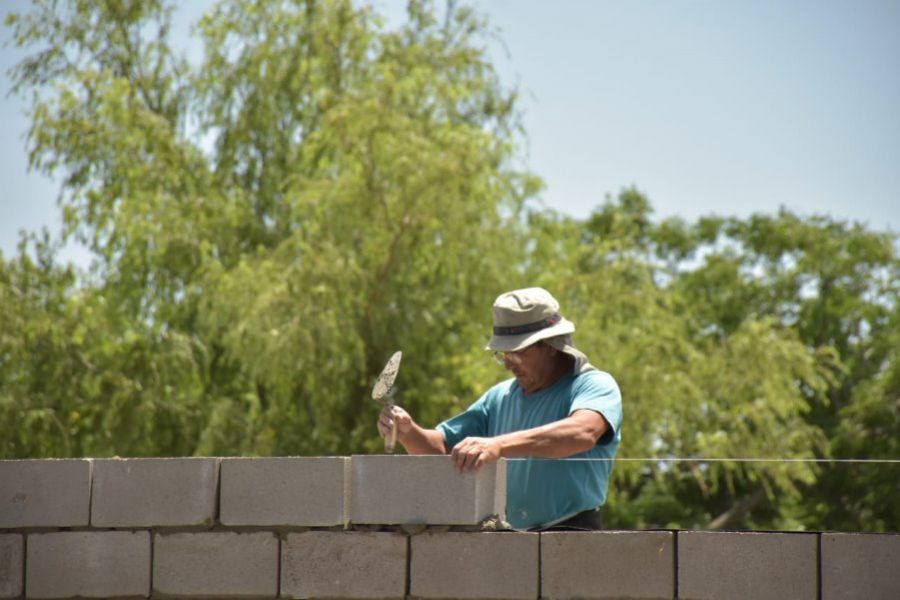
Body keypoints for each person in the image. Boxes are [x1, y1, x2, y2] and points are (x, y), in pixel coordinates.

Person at [377, 287, 623, 531]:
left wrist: (497, 445)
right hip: (508, 540)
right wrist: (409, 433)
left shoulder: (593, 385)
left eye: (516, 353)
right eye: (503, 354)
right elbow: (442, 448)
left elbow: (582, 433)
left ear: (550, 346)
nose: (507, 365)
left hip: (573, 536)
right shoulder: (500, 397)